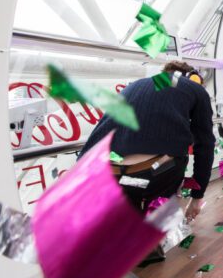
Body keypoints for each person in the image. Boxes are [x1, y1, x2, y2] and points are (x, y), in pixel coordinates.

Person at [79, 61, 214, 222]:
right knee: (177, 158)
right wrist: (197, 196)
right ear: (193, 78)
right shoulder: (195, 88)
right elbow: (205, 146)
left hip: (106, 172)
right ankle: (159, 224)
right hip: (153, 173)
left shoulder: (135, 85)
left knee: (131, 195)